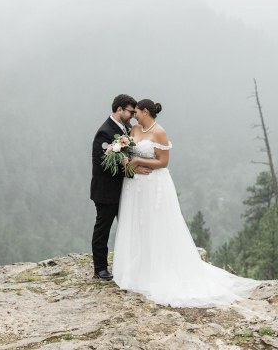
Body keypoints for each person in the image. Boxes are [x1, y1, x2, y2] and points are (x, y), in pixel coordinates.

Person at [112, 98, 260, 307]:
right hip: (135, 185)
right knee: (139, 224)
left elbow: (163, 161)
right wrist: (129, 163)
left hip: (153, 184)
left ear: (146, 111)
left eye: (136, 112)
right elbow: (127, 153)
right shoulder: (133, 129)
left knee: (155, 224)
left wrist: (138, 161)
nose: (133, 115)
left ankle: (157, 270)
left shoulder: (159, 132)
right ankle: (138, 268)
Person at [90, 94, 153, 280]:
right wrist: (132, 169)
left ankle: (130, 266)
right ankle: (100, 268)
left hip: (124, 190)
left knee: (128, 227)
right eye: (131, 111)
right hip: (106, 191)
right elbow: (104, 165)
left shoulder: (126, 129)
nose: (133, 115)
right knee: (103, 229)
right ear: (119, 109)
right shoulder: (105, 132)